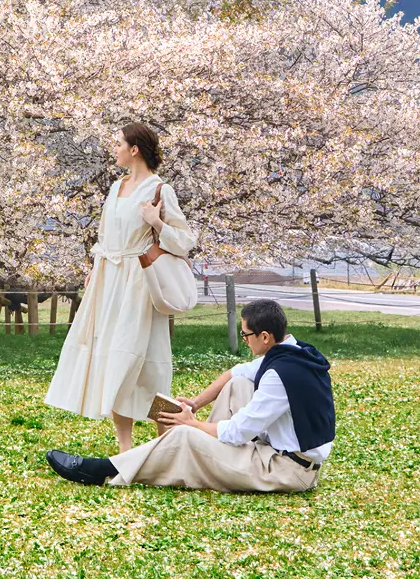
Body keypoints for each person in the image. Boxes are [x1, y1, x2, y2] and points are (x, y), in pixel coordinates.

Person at [45, 298, 335, 493]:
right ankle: (199, 446)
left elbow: (236, 431)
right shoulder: (294, 350)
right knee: (237, 386)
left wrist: (192, 424)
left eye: (246, 335)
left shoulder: (277, 377)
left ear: (264, 337)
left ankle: (102, 470)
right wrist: (195, 403)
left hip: (284, 470)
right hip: (282, 455)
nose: (244, 340)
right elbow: (236, 374)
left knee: (185, 436)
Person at [44, 122, 198, 452]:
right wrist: (96, 267)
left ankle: (164, 446)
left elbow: (185, 241)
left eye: (119, 144)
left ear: (135, 149)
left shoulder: (160, 190)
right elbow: (104, 236)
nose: (114, 149)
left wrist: (157, 222)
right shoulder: (116, 188)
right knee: (114, 361)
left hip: (140, 282)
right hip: (110, 281)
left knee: (148, 360)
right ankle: (125, 449)